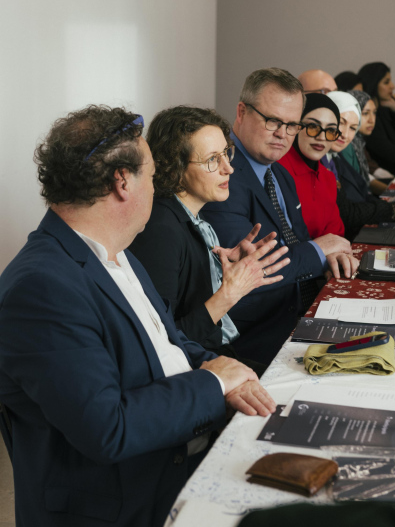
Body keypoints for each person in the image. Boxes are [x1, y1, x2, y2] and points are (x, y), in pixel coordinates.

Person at [0, 105, 276, 527]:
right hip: (121, 504)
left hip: (176, 458)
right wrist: (214, 383)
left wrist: (225, 371)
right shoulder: (41, 287)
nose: (156, 187)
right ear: (122, 182)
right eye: (152, 175)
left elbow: (169, 341)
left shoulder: (117, 251)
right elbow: (107, 429)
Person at [202, 68, 358, 364]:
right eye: (273, 121)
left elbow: (296, 245)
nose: (282, 135)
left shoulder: (279, 174)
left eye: (292, 125)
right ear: (241, 112)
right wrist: (320, 249)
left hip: (297, 315)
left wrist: (328, 260)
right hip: (252, 340)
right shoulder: (222, 176)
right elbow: (253, 270)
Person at [130, 106, 290, 373]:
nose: (229, 168)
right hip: (193, 372)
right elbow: (161, 344)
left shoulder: (190, 216)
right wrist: (230, 293)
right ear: (175, 166)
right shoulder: (160, 230)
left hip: (214, 355)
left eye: (226, 153)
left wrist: (222, 268)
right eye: (213, 160)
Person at [322, 92, 395, 241]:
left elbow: (361, 189)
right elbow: (346, 212)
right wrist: (393, 210)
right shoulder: (321, 159)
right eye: (341, 123)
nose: (345, 135)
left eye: (353, 128)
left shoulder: (334, 157)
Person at [278, 93, 344, 238]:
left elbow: (335, 234)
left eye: (331, 131)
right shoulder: (276, 170)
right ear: (296, 126)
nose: (321, 137)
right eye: (313, 126)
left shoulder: (328, 179)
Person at [341, 89, 389, 195]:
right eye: (365, 113)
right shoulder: (345, 143)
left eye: (374, 113)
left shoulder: (359, 141)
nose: (372, 120)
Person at [358, 62, 395, 175]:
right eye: (386, 82)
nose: (393, 86)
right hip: (386, 177)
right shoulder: (368, 119)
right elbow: (391, 153)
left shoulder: (387, 107)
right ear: (374, 84)